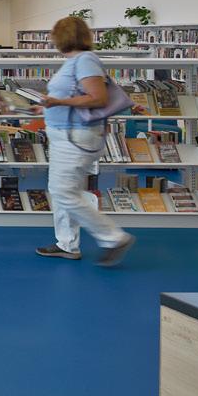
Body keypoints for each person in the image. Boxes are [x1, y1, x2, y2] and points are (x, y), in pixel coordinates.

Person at [32, 16, 135, 266]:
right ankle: (66, 244)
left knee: (62, 191)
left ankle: (113, 238)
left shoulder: (86, 60)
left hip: (75, 136)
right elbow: (73, 95)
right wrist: (45, 107)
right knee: (65, 190)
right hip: (65, 134)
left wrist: (58, 102)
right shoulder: (75, 61)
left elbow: (97, 98)